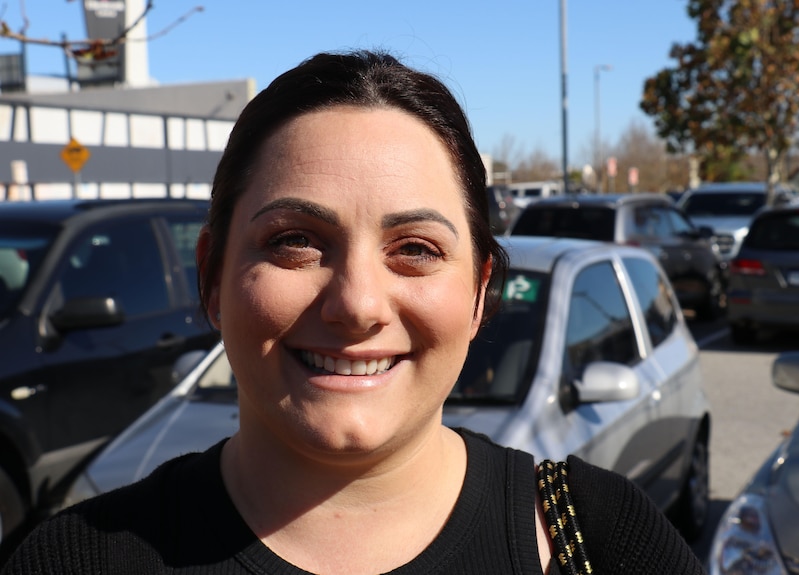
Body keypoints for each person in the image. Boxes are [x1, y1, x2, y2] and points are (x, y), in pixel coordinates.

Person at [2, 50, 706, 575]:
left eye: (416, 248)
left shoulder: (597, 538)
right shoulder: (75, 560)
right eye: (296, 241)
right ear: (211, 275)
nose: (358, 304)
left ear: (479, 292)